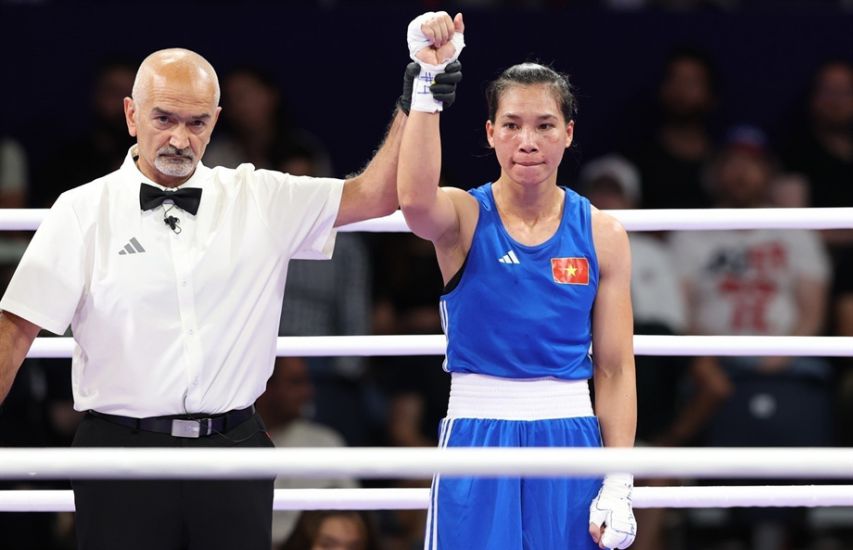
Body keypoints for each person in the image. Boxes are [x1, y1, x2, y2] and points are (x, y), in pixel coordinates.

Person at [0, 45, 458, 550]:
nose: (180, 138)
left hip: (234, 447)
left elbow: (376, 194)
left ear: (216, 121)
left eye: (196, 122)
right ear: (131, 115)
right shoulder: (83, 210)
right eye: (164, 118)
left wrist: (420, 91)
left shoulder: (258, 197)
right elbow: (14, 331)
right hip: (120, 451)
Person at [397, 12, 636, 550]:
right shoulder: (463, 217)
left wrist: (620, 480)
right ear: (490, 133)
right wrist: (428, 86)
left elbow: (616, 368)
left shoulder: (602, 233)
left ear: (569, 134)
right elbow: (413, 202)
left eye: (545, 125)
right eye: (512, 124)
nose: (528, 140)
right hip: (478, 431)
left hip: (572, 435)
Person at [255, 356, 358, 546]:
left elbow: (352, 520)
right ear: (264, 385)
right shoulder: (232, 447)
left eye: (306, 381)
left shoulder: (326, 443)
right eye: (296, 382)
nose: (308, 392)